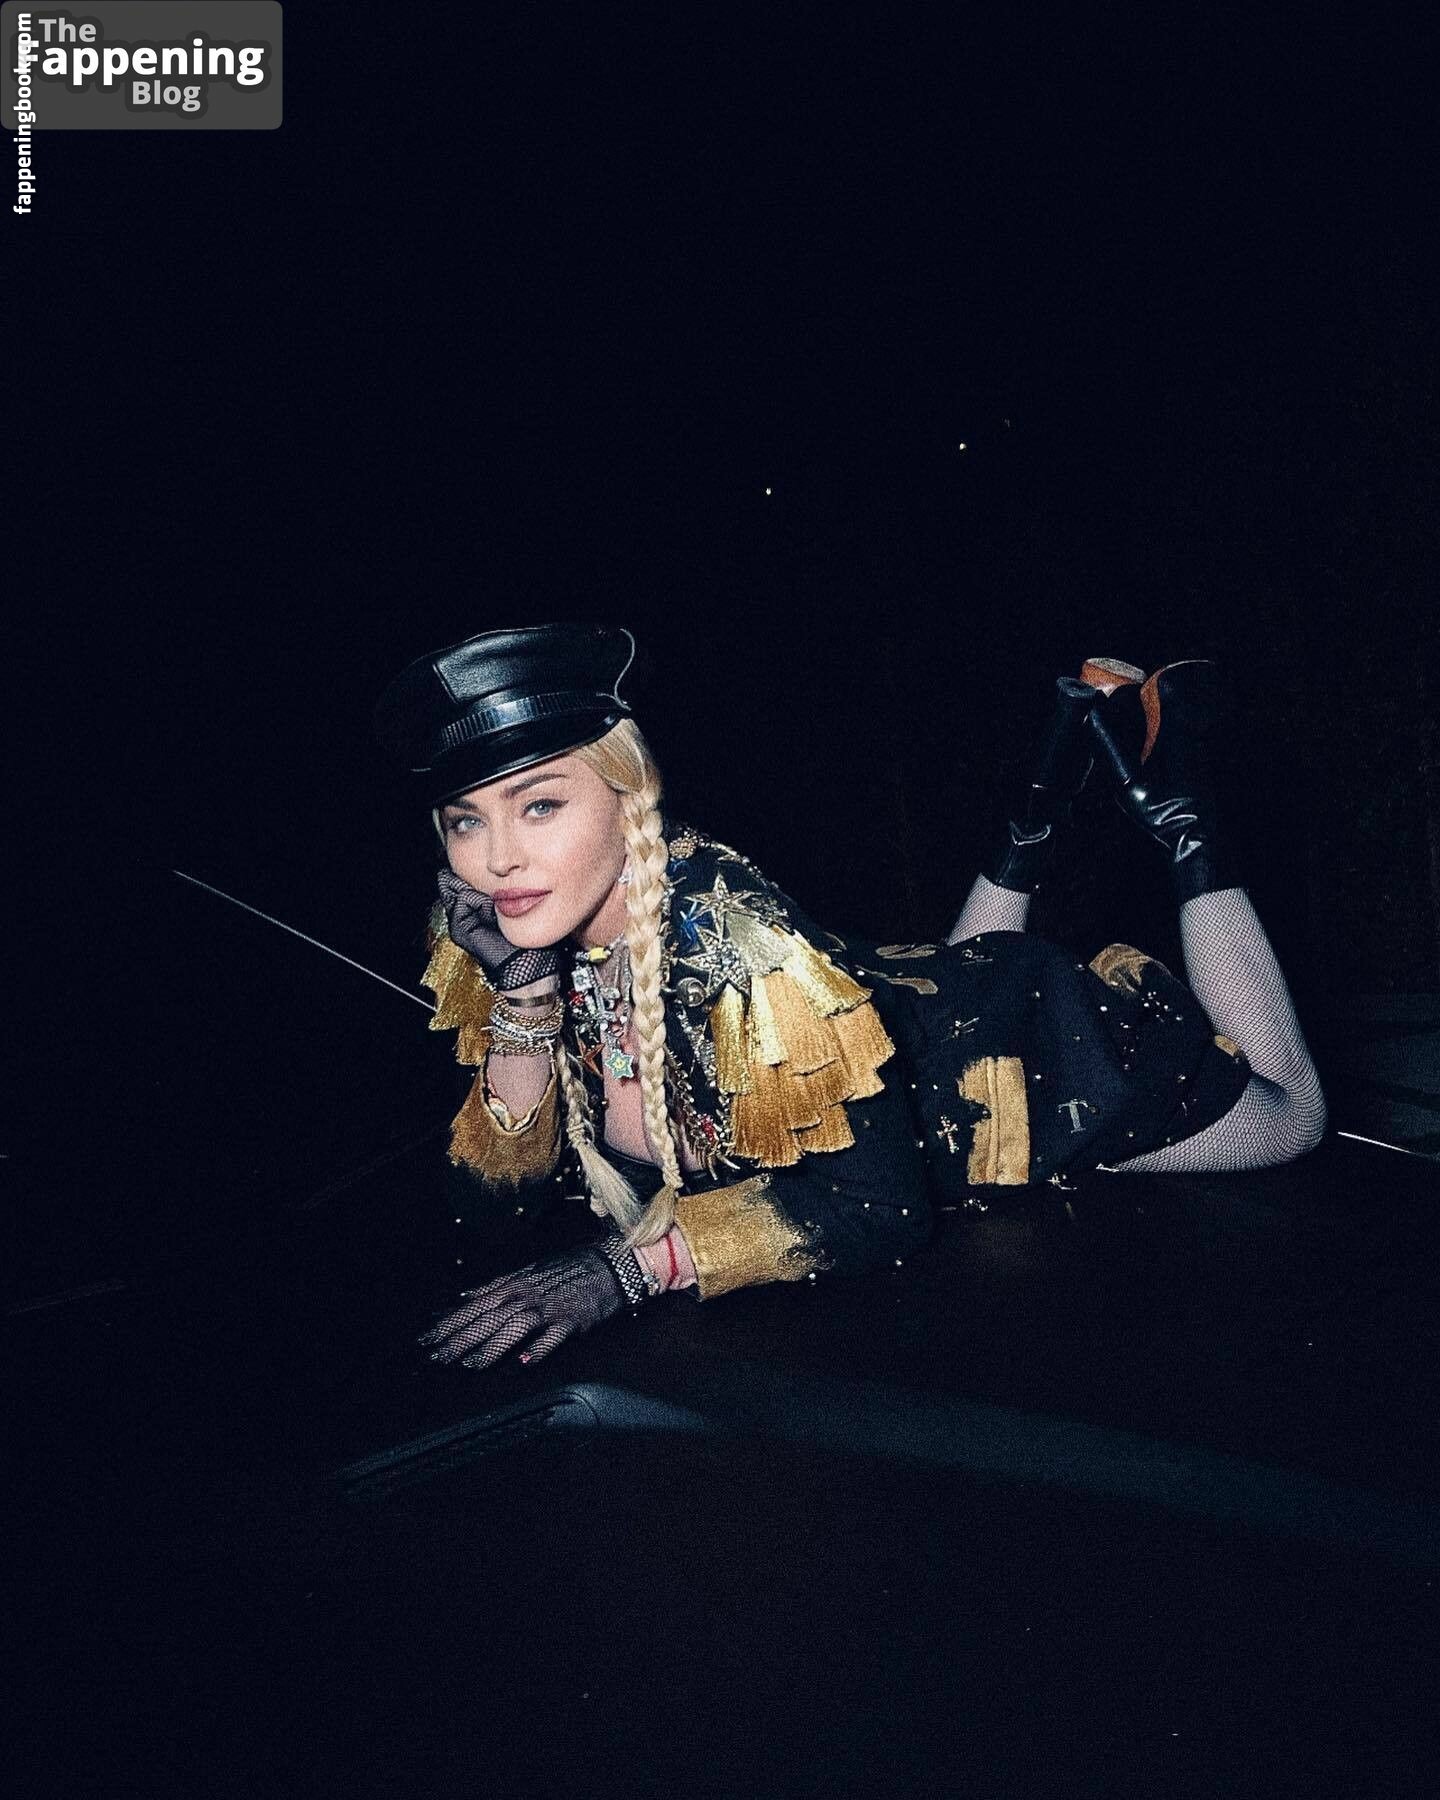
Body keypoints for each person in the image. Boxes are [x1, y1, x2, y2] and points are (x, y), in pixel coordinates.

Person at [371, 624, 1327, 1372]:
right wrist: (526, 1002)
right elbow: (488, 1212)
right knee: (959, 977)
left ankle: (1182, 811)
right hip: (917, 1003)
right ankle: (1038, 804)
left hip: (1013, 1049)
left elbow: (879, 1209)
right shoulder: (513, 934)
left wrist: (628, 1270)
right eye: (465, 821)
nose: (497, 860)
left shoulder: (739, 945)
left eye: (540, 804)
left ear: (630, 800)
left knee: (1292, 1121)